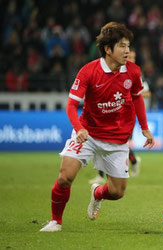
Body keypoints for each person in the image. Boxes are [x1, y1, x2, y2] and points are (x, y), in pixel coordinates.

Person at [40, 22, 155, 232]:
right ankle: (55, 221)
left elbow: (138, 97)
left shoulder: (133, 72)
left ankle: (97, 193)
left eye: (128, 45)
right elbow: (71, 105)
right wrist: (79, 128)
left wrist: (144, 127)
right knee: (65, 177)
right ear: (108, 49)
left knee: (117, 192)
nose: (127, 50)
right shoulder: (89, 71)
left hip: (117, 140)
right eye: (122, 46)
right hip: (88, 134)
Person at [88, 48, 150, 183]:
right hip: (113, 113)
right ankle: (101, 175)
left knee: (121, 144)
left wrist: (129, 94)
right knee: (104, 141)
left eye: (133, 58)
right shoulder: (116, 71)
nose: (131, 60)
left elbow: (147, 93)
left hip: (128, 116)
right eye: (130, 57)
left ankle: (132, 161)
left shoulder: (136, 74)